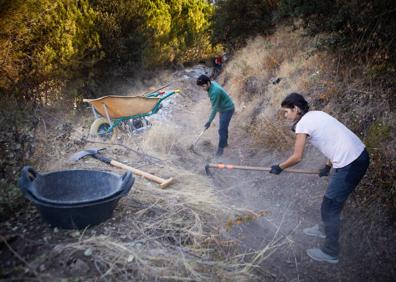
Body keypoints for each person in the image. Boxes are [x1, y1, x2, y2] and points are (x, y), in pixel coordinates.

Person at [269, 93, 369, 264]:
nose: (286, 115)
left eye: (287, 111)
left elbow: (297, 156)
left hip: (350, 163)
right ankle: (324, 229)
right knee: (332, 202)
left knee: (330, 206)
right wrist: (328, 166)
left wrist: (280, 167)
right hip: (355, 157)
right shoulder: (317, 115)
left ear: (296, 109)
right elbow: (335, 140)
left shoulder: (303, 124)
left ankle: (331, 252)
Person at [196, 74, 235, 156]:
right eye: (201, 87)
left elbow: (214, 108)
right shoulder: (211, 84)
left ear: (208, 83)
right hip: (223, 109)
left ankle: (220, 152)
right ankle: (225, 144)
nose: (203, 89)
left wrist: (209, 121)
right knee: (223, 128)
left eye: (204, 86)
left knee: (221, 130)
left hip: (227, 109)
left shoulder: (215, 92)